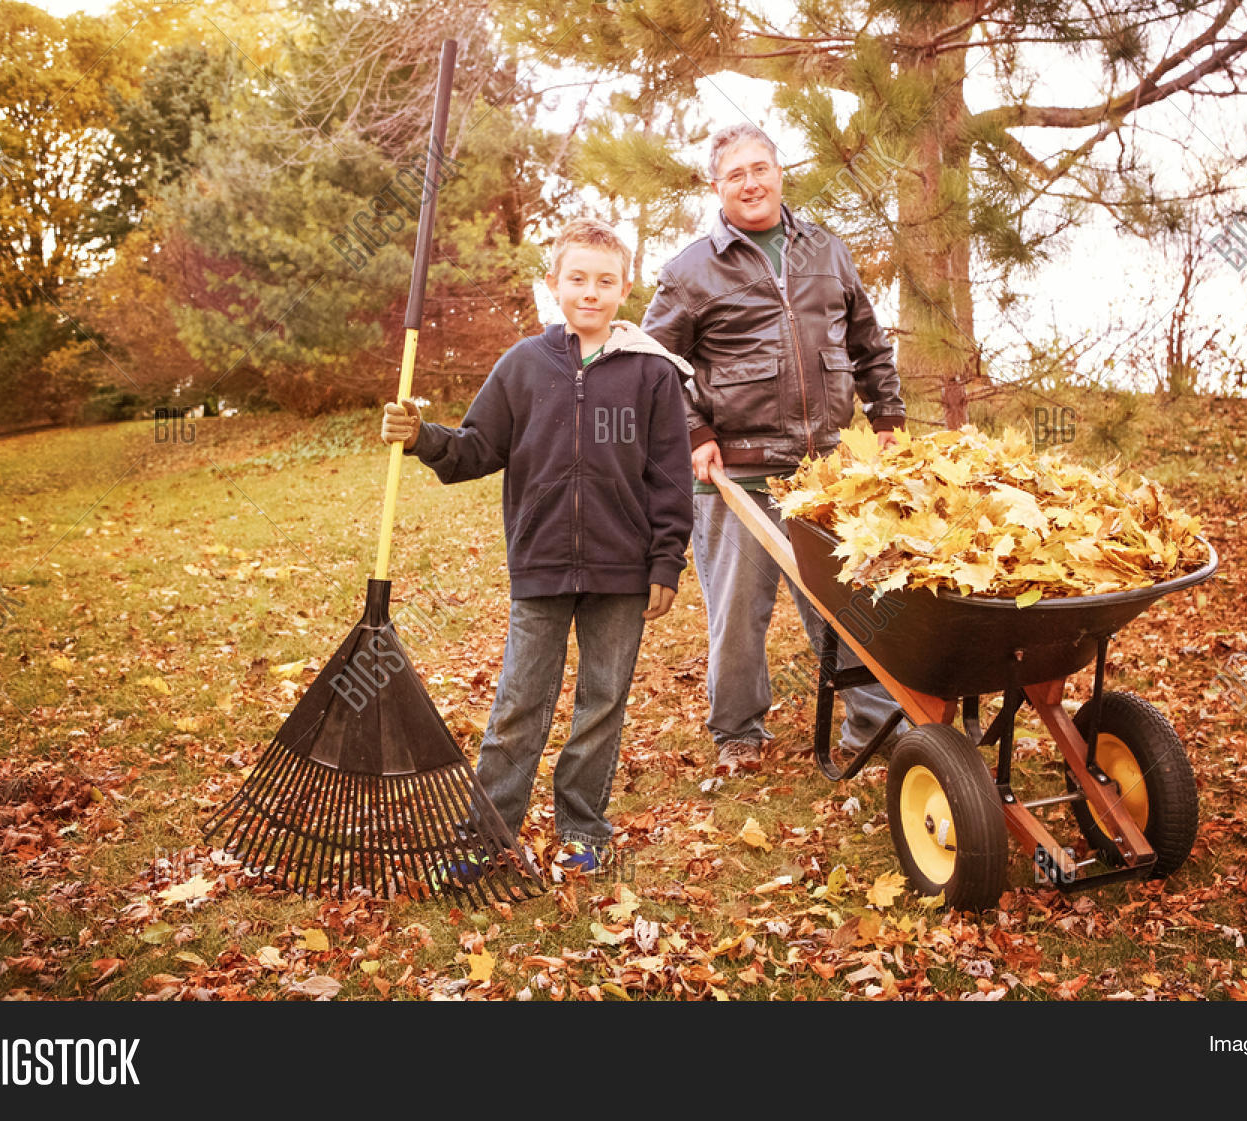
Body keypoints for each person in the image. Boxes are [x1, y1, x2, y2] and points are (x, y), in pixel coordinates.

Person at [380, 217, 693, 874]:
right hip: (542, 564)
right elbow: (474, 448)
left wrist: (666, 559)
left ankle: (584, 829)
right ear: (553, 284)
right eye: (577, 278)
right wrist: (419, 437)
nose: (590, 291)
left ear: (625, 288)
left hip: (623, 570)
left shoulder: (651, 375)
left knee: (602, 703)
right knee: (520, 702)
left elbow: (669, 473)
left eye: (605, 281)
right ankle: (485, 834)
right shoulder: (522, 366)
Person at [640, 123, 907, 774]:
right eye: (736, 174)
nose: (751, 183)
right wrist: (696, 432)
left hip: (824, 472)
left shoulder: (827, 250)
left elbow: (869, 343)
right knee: (737, 614)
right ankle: (738, 733)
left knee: (849, 605)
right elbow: (653, 363)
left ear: (780, 172)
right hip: (737, 475)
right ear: (716, 187)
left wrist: (889, 414)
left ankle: (869, 729)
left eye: (760, 168)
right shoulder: (690, 269)